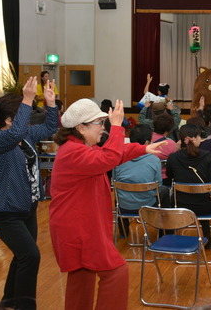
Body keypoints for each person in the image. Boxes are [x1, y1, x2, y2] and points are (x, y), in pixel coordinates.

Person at [49, 98, 164, 310]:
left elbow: (108, 156)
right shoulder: (74, 151)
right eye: (99, 123)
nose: (103, 128)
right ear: (81, 128)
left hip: (78, 224)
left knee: (81, 278)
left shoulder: (77, 147)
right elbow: (108, 158)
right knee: (116, 272)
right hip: (79, 228)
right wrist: (118, 127)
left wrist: (142, 150)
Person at [0, 77, 58, 310]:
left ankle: (8, 301)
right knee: (30, 256)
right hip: (4, 211)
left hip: (27, 208)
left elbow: (49, 128)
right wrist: (26, 98)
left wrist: (51, 103)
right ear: (7, 120)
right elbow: (13, 136)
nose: (29, 120)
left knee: (23, 256)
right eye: (23, 114)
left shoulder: (26, 135)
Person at [166, 124, 211, 248]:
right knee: (203, 196)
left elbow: (169, 175)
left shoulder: (173, 157)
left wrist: (177, 152)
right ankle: (207, 237)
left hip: (180, 206)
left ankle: (175, 239)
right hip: (205, 207)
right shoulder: (207, 156)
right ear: (194, 138)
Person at [112, 124, 170, 233]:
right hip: (147, 205)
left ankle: (123, 232)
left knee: (118, 192)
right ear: (147, 143)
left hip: (124, 205)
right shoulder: (154, 160)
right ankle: (164, 231)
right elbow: (158, 184)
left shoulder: (119, 158)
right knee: (165, 191)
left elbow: (114, 181)